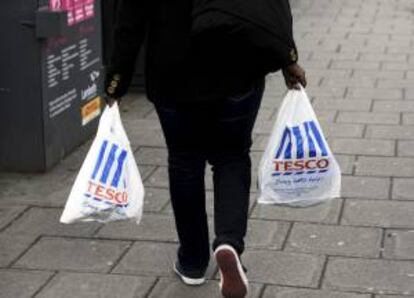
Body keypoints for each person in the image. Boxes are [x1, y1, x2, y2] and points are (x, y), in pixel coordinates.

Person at [104, 1, 306, 297]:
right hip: (236, 68)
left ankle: (193, 261)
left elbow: (129, 23)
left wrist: (115, 84)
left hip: (172, 72)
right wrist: (288, 58)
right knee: (232, 158)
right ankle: (228, 242)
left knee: (184, 162)